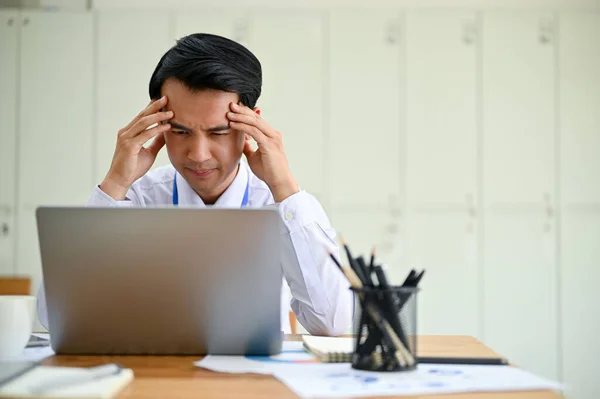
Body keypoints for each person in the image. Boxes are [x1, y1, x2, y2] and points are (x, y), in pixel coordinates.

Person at [37, 33, 353, 336]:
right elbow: (55, 317)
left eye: (217, 133)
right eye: (181, 132)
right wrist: (115, 184)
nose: (198, 155)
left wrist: (284, 186)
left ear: (251, 125)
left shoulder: (284, 206)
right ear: (158, 124)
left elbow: (332, 323)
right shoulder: (136, 199)